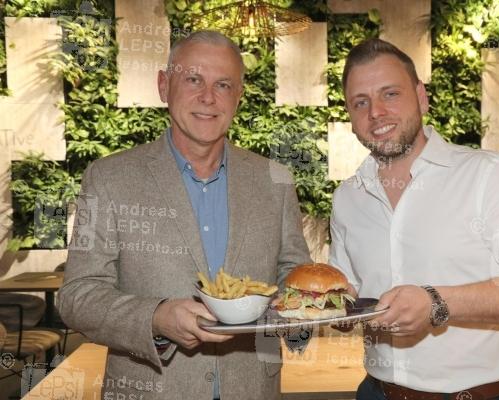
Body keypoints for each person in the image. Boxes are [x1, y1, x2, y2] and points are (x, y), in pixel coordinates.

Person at [58, 31, 311, 400]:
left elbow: (294, 273)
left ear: (238, 96)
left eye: (223, 84)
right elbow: (77, 296)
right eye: (193, 79)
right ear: (164, 86)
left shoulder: (275, 180)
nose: (208, 97)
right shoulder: (109, 178)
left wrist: (315, 300)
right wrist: (156, 317)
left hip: (253, 388)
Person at [329, 38, 499, 400]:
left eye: (390, 94)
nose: (375, 112)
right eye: (360, 102)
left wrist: (437, 302)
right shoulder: (347, 197)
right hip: (376, 392)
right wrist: (334, 305)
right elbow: (348, 287)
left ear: (421, 97)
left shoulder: (490, 174)